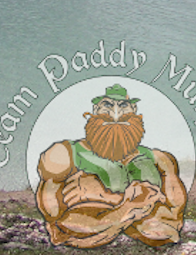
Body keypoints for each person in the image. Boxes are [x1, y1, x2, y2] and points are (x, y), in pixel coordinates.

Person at [35, 84, 187, 248]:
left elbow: (171, 223)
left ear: (134, 110)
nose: (115, 113)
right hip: (87, 225)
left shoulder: (160, 159)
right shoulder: (64, 153)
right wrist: (137, 204)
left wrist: (107, 199)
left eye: (123, 106)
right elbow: (60, 223)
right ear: (95, 110)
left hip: (130, 225)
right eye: (107, 105)